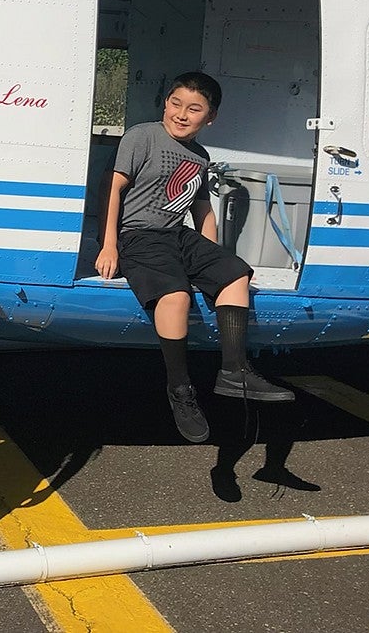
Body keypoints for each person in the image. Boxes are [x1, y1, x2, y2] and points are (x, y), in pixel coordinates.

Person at [95, 71, 293, 444]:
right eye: (175, 103)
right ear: (166, 102)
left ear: (210, 118)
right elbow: (113, 187)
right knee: (176, 296)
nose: (181, 114)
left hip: (177, 235)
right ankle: (180, 390)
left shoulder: (200, 156)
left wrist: (211, 261)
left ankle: (235, 370)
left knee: (235, 273)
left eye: (194, 109)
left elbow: (203, 210)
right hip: (139, 235)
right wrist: (109, 244)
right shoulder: (142, 135)